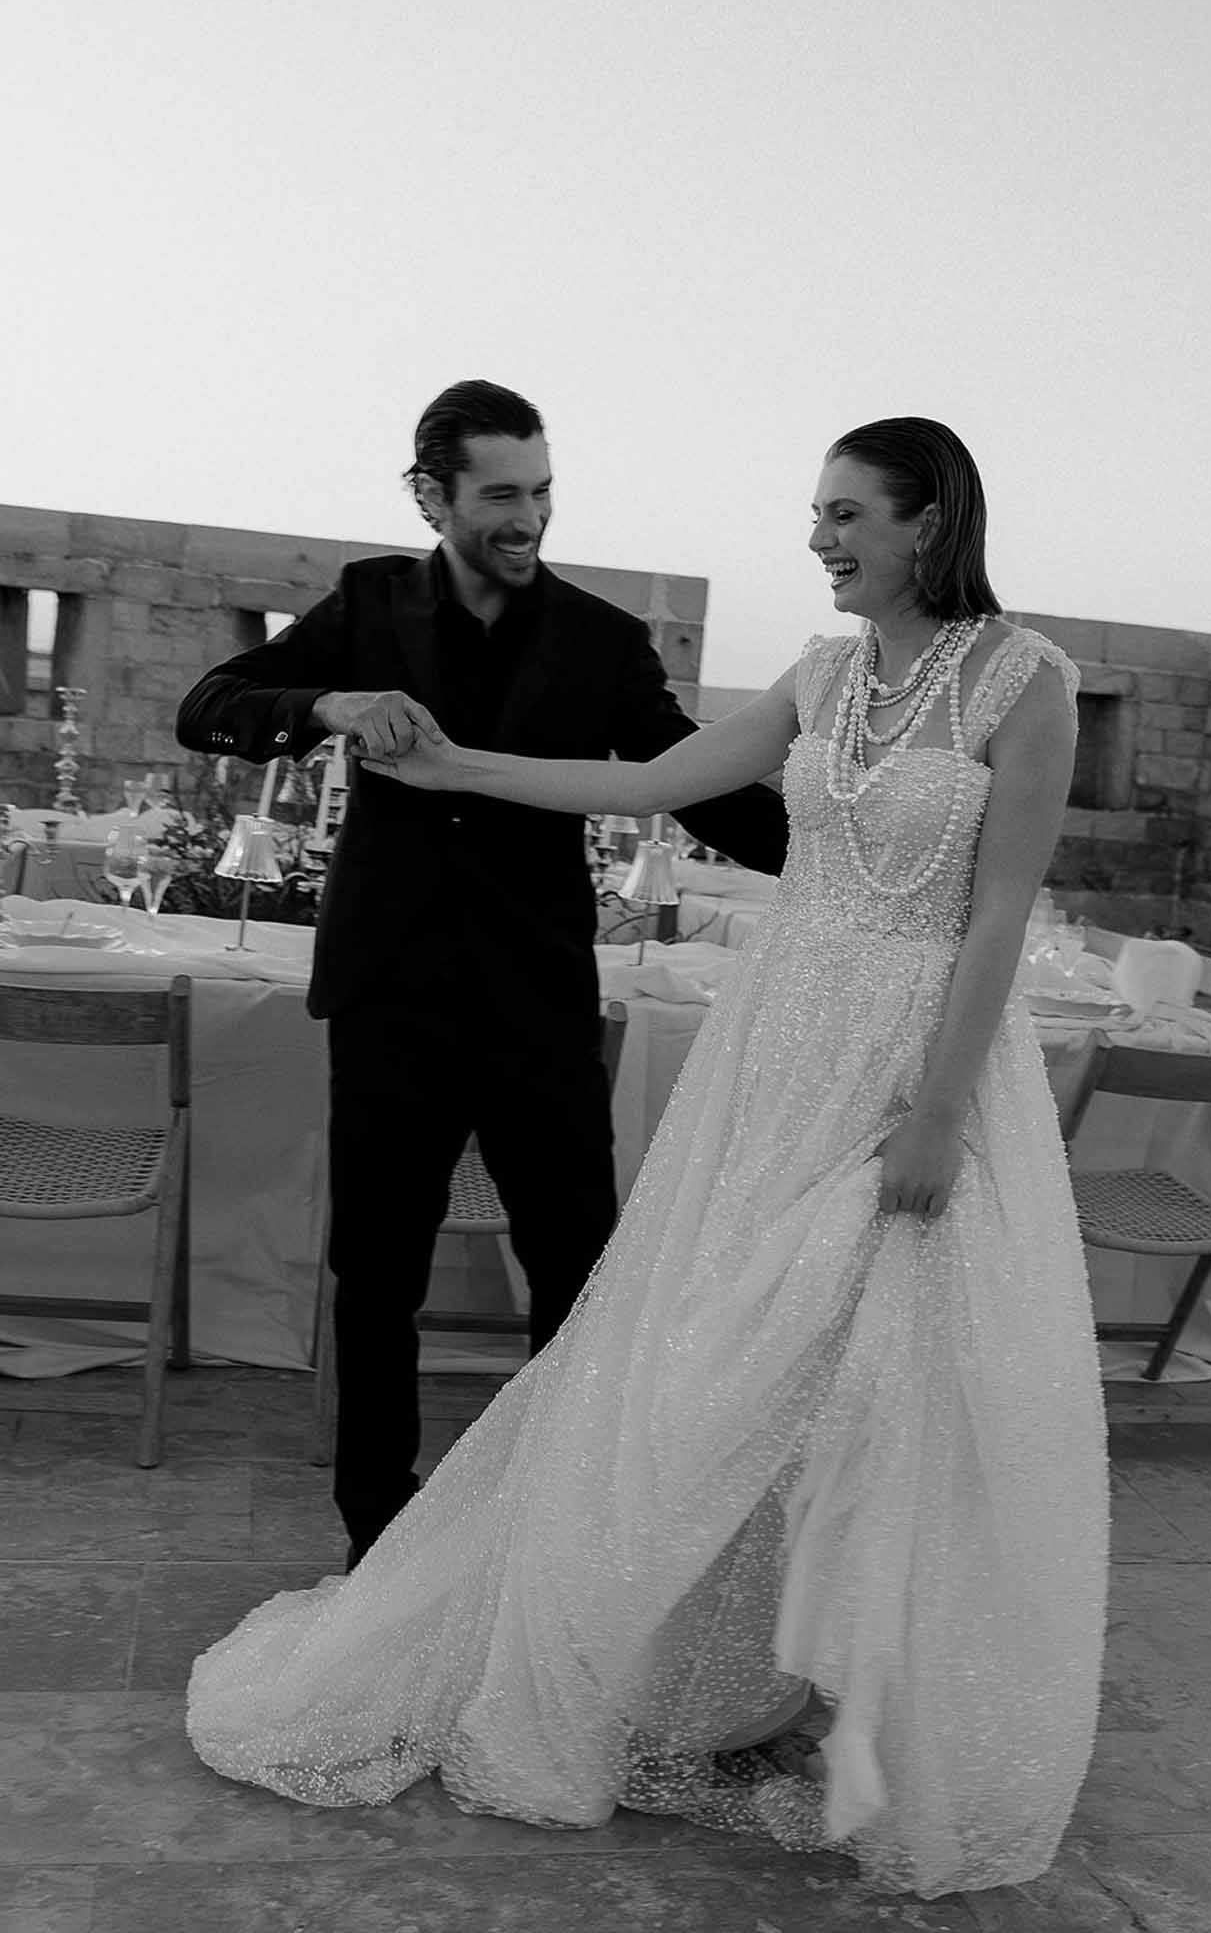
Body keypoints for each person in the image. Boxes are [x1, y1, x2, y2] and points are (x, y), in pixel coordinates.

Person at [186, 417, 1108, 1900]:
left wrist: (936, 1112)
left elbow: (996, 916)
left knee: (889, 1378)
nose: (815, 537)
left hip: (914, 1066)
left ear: (928, 523)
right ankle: (711, 1661)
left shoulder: (1026, 680)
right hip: (775, 1061)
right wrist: (446, 760)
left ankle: (863, 1706)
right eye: (812, 511)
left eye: (845, 514)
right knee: (715, 1362)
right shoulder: (817, 678)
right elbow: (643, 786)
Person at [174, 381, 788, 1568]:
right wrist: (331, 702)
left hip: (537, 998)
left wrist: (833, 848)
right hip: (388, 992)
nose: (529, 515)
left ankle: (559, 1525)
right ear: (431, 494)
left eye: (542, 489)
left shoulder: (604, 640)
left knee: (573, 1265)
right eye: (502, 491)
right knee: (376, 1275)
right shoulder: (365, 601)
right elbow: (210, 704)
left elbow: (689, 772)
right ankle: (379, 1538)